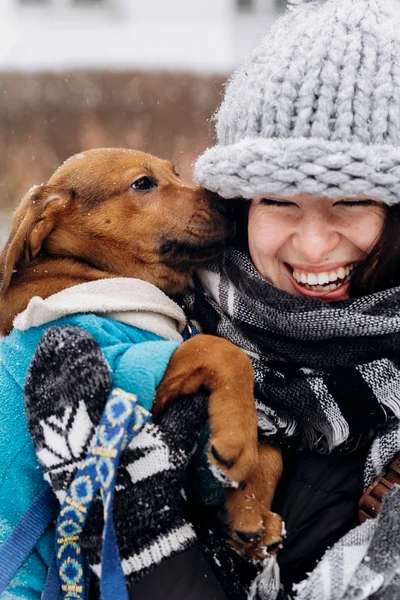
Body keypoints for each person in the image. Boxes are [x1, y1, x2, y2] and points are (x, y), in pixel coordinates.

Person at [3, 0, 400, 598]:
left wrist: (157, 556)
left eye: (351, 200)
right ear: (242, 205)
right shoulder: (168, 314)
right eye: (279, 200)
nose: (314, 242)